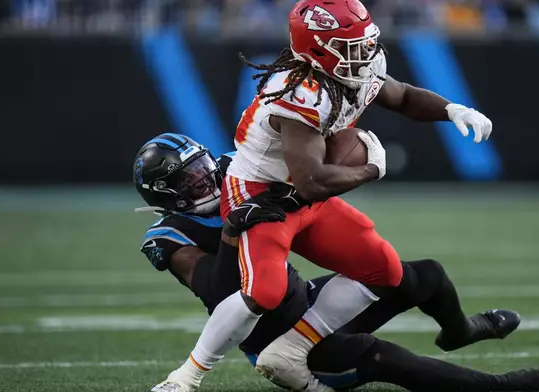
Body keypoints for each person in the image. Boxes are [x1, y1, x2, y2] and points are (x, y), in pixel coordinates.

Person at [198, 0, 495, 389]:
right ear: (319, 49)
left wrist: (452, 108)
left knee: (383, 267)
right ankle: (186, 376)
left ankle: (291, 348)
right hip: (259, 193)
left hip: (303, 191)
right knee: (264, 291)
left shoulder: (354, 67)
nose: (366, 53)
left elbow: (402, 96)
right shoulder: (300, 91)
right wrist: (370, 168)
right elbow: (311, 182)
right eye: (352, 45)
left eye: (364, 42)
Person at [134, 134, 539, 392]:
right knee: (387, 358)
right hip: (285, 343)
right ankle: (505, 386)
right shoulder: (170, 238)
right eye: (189, 181)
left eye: (204, 167)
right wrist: (233, 230)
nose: (207, 179)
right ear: (167, 195)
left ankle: (461, 330)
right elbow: (220, 292)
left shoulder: (235, 175)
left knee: (424, 275)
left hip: (312, 301)